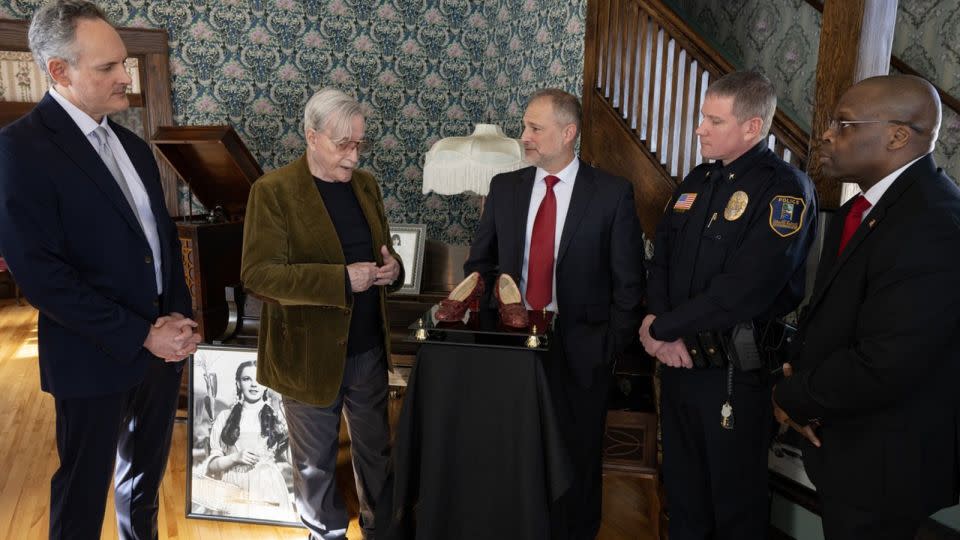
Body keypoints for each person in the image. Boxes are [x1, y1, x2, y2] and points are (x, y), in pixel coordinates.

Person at [0, 1, 201, 538]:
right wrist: (142, 334)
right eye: (107, 68)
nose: (124, 78)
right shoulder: (19, 150)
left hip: (159, 360)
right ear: (58, 71)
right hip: (91, 358)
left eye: (124, 64)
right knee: (82, 498)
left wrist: (177, 317)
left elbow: (160, 242)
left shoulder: (133, 147)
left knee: (143, 486)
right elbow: (42, 277)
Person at [773, 75, 960, 540]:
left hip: (886, 463)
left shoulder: (934, 221)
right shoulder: (864, 207)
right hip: (846, 444)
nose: (827, 134)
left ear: (898, 136)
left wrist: (790, 395)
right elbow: (832, 315)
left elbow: (888, 362)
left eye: (845, 123)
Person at [640, 71, 817, 540]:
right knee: (683, 497)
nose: (700, 128)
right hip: (677, 364)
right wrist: (657, 323)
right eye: (703, 117)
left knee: (734, 506)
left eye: (713, 120)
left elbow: (745, 290)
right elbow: (663, 260)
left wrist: (661, 330)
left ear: (752, 128)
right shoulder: (698, 179)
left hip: (733, 375)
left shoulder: (784, 190)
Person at [464, 88, 645, 539]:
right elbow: (480, 265)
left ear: (568, 133)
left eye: (534, 128)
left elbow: (629, 284)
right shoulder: (504, 188)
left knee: (578, 458)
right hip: (512, 346)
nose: (524, 136)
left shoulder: (611, 194)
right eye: (525, 126)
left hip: (581, 350)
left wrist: (607, 346)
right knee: (514, 452)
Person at [241, 87, 404, 540]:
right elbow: (259, 275)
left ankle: (381, 530)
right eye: (343, 145)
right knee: (314, 465)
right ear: (312, 137)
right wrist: (339, 280)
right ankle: (324, 533)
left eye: (359, 144)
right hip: (307, 356)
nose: (354, 157)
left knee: (377, 452)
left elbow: (384, 252)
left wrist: (394, 269)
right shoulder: (273, 192)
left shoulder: (366, 185)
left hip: (368, 348)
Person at [202, 361, 295, 522]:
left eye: (259, 379)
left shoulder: (278, 417)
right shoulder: (224, 417)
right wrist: (234, 458)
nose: (254, 385)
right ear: (238, 383)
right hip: (233, 487)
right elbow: (211, 465)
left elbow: (294, 461)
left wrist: (290, 422)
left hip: (268, 487)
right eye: (247, 379)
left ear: (267, 384)